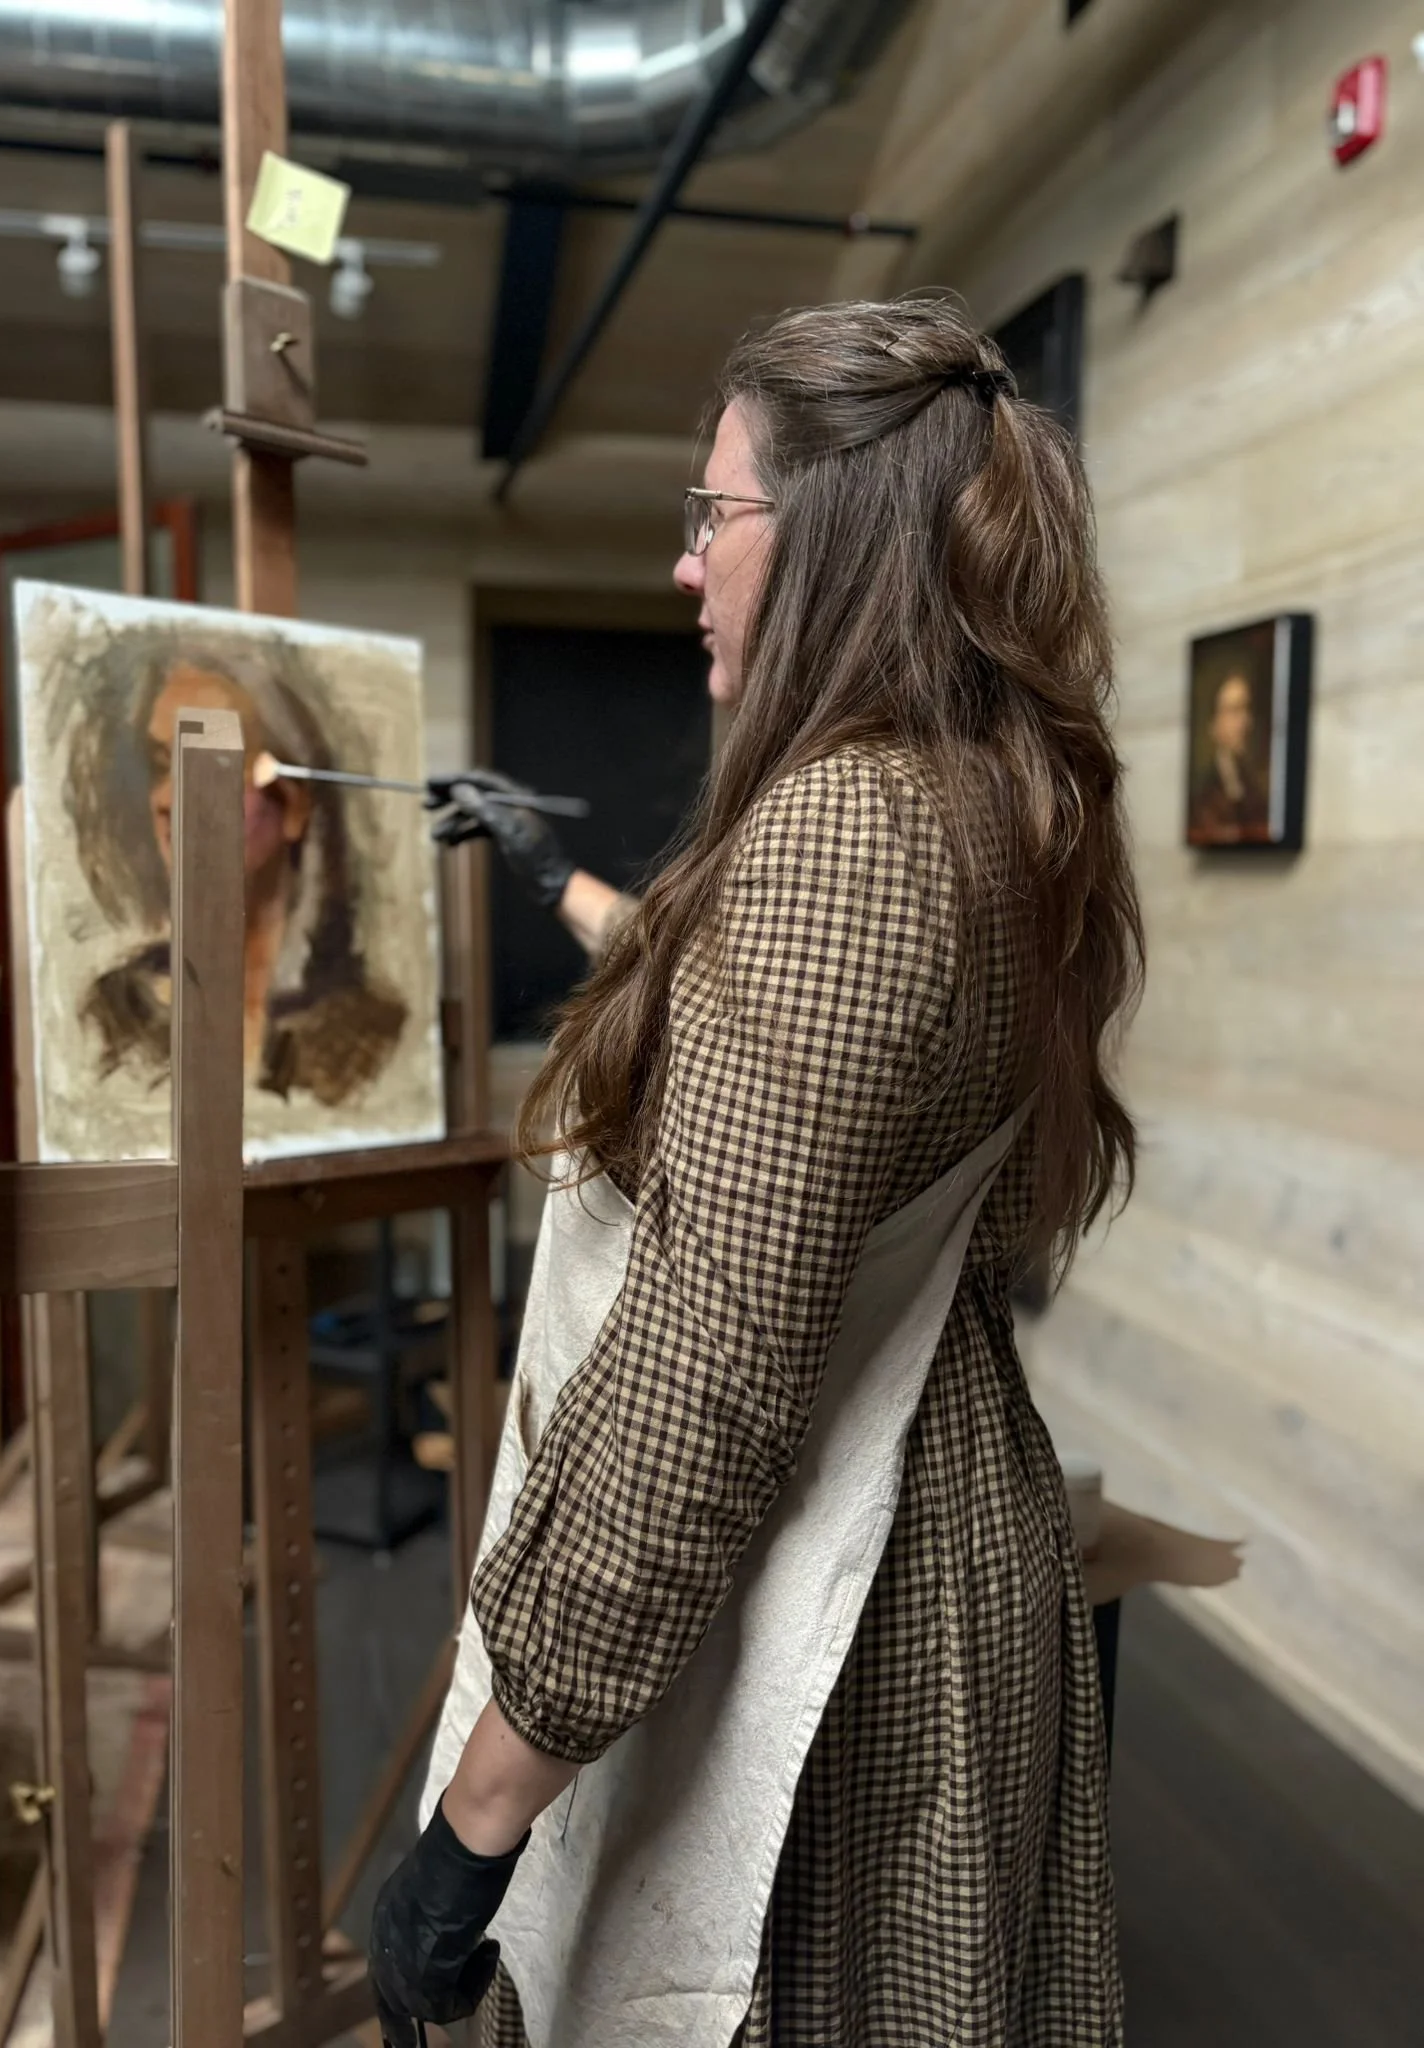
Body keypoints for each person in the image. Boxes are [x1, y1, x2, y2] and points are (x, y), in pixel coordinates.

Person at [383, 294, 1144, 2048]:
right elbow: (773, 1043)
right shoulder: (967, 800)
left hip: (830, 1597)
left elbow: (703, 1387)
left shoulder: (842, 835)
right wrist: (553, 877)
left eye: (709, 515)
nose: (685, 565)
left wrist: (479, 1811)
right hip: (923, 1526)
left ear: (829, 536)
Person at [74, 644, 408, 1105]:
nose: (165, 799)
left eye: (207, 764)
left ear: (292, 805)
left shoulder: (366, 1030)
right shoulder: (116, 1012)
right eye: (160, 764)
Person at [1187, 669, 1270, 842]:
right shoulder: (1204, 791)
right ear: (1214, 724)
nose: (1245, 721)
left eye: (1247, 709)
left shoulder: (1254, 787)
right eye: (1234, 710)